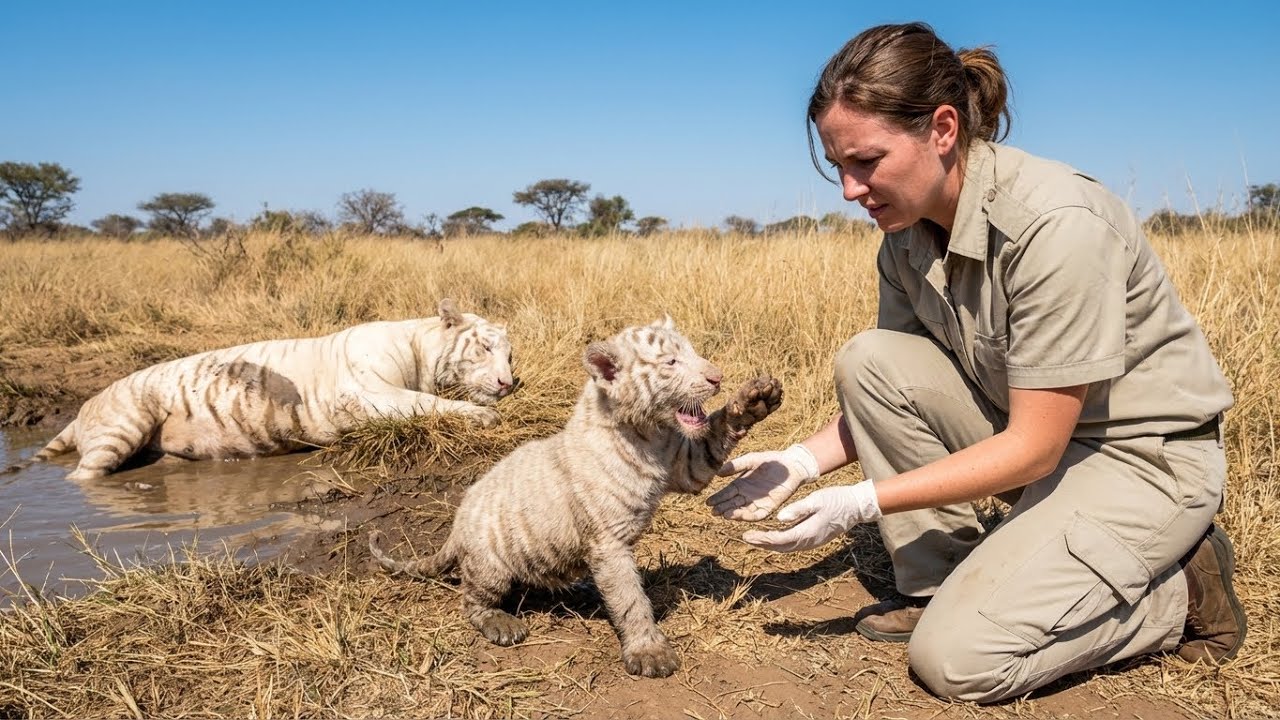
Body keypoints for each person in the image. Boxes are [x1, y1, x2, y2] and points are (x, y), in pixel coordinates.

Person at [707, 22, 1246, 703]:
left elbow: (1035, 447)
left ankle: (1182, 592)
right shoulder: (904, 236)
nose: (848, 188)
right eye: (836, 164)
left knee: (958, 662)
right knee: (869, 358)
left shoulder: (1055, 224)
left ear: (942, 129)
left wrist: (861, 503)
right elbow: (895, 387)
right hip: (1042, 441)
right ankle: (945, 581)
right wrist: (802, 462)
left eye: (866, 161)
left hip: (1139, 461)